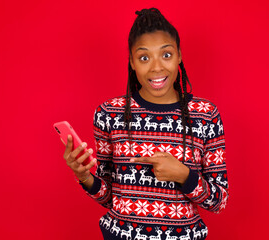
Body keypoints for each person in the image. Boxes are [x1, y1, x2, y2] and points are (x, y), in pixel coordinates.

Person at [63, 8, 228, 239]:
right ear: (131, 62)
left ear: (179, 55)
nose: (156, 67)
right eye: (144, 57)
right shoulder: (109, 114)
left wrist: (183, 175)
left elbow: (219, 201)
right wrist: (84, 177)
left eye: (166, 55)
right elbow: (110, 196)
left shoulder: (205, 114)